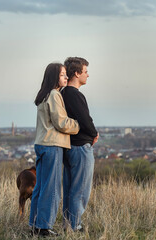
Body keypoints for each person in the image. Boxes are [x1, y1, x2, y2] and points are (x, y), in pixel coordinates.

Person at [30, 63, 80, 237]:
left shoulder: (43, 95)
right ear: (54, 77)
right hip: (52, 145)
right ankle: (44, 227)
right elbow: (61, 123)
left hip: (41, 144)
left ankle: (35, 225)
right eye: (63, 75)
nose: (66, 78)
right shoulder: (54, 94)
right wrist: (78, 125)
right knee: (52, 189)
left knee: (41, 187)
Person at [61, 57, 99, 231]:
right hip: (81, 147)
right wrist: (94, 133)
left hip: (69, 147)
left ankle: (68, 224)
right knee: (81, 190)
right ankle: (75, 226)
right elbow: (85, 119)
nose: (88, 75)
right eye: (85, 72)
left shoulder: (62, 94)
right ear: (76, 73)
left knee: (70, 189)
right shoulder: (75, 95)